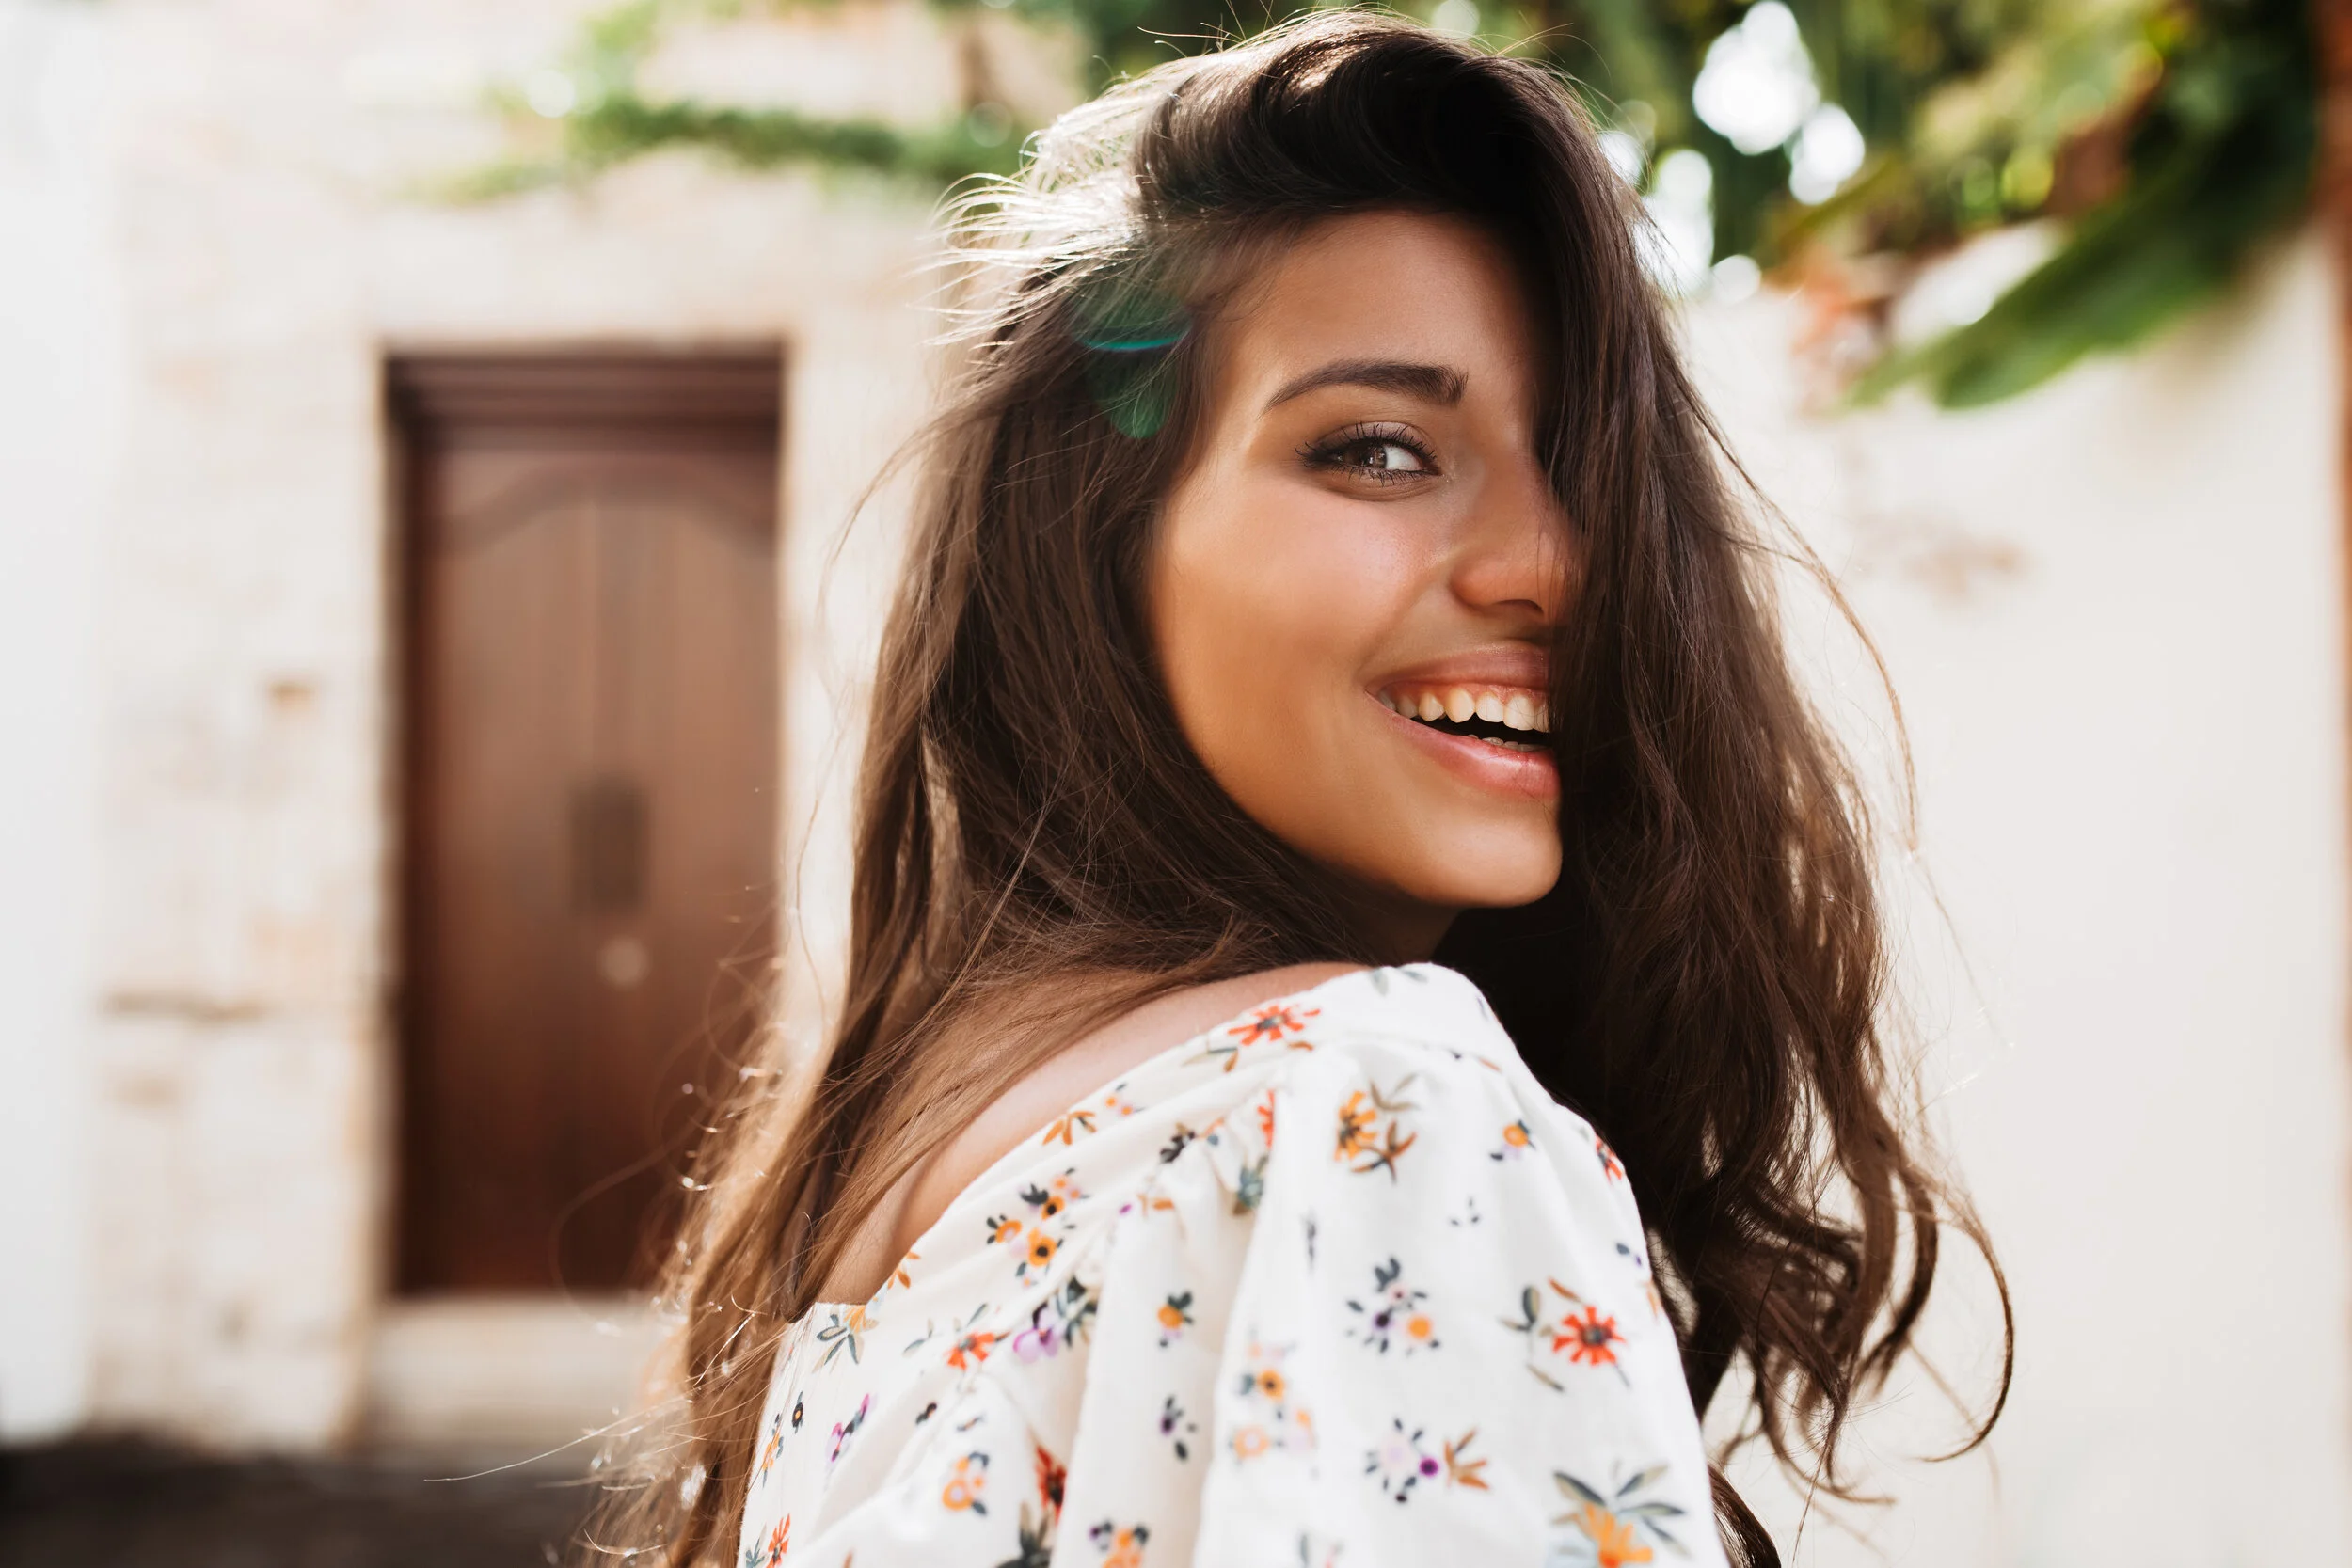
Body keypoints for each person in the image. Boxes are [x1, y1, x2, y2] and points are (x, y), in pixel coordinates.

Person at [616, 14, 2007, 1567]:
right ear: (1098, 546)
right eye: (1381, 452)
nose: (1550, 564)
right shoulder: (1374, 1110)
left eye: (1579, 467)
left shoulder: (914, 1159)